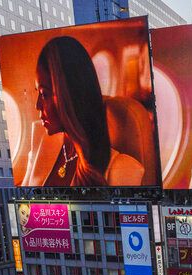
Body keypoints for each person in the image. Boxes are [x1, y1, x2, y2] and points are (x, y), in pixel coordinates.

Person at [27, 36, 143, 186]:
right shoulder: (42, 143)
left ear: (70, 95)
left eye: (44, 94)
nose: (37, 105)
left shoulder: (122, 169)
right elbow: (25, 204)